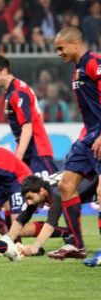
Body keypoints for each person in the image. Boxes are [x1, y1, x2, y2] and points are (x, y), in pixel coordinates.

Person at [51, 26, 101, 261]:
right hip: (89, 137)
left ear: (74, 44)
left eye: (61, 48)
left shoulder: (94, 62)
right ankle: (77, 245)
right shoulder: (77, 70)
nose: (58, 53)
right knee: (65, 185)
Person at [0, 55, 57, 179]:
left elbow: (27, 127)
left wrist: (18, 158)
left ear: (4, 71)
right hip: (29, 153)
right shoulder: (11, 91)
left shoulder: (18, 92)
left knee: (49, 193)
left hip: (37, 152)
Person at [8, 174, 97, 257]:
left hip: (95, 182)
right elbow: (22, 218)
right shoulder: (40, 189)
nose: (29, 202)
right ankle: (73, 240)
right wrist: (7, 243)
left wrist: (34, 247)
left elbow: (51, 222)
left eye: (30, 198)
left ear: (42, 191)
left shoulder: (57, 192)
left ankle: (76, 242)